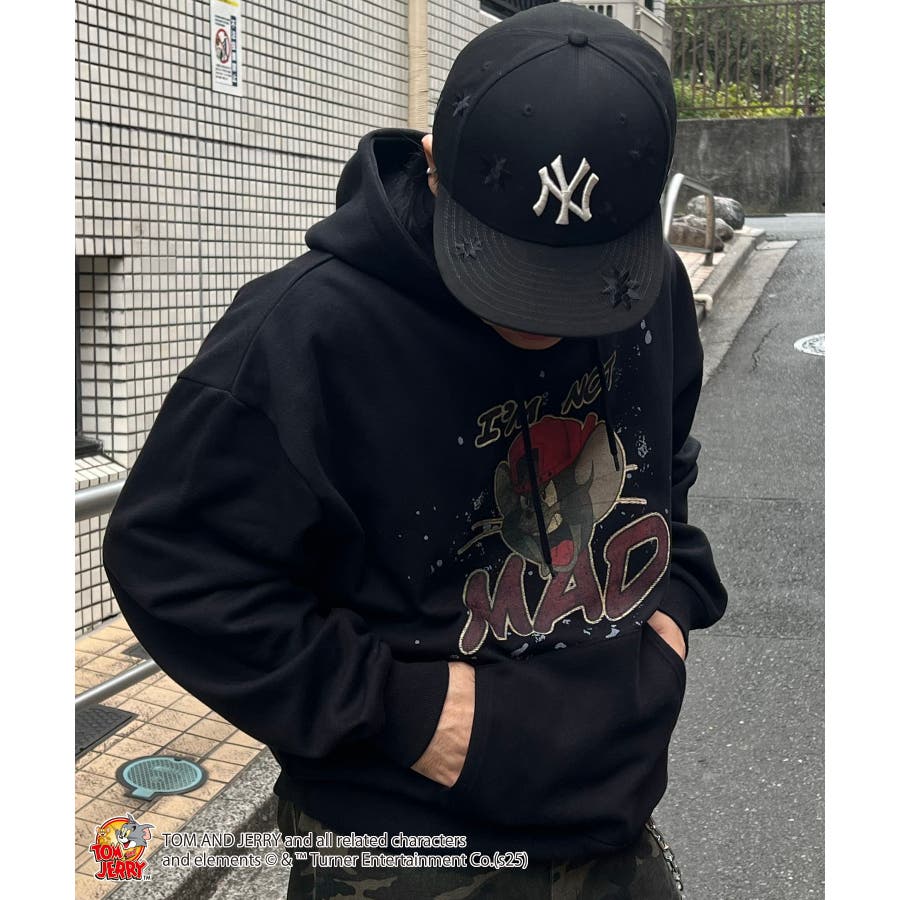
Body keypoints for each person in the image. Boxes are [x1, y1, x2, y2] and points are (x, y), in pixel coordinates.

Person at [102, 5, 727, 897]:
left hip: (613, 823)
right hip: (400, 845)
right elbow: (174, 565)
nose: (543, 323)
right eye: (509, 272)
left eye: (582, 285)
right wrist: (404, 711)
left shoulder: (651, 286)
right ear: (434, 162)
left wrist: (668, 617)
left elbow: (666, 461)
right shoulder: (303, 334)